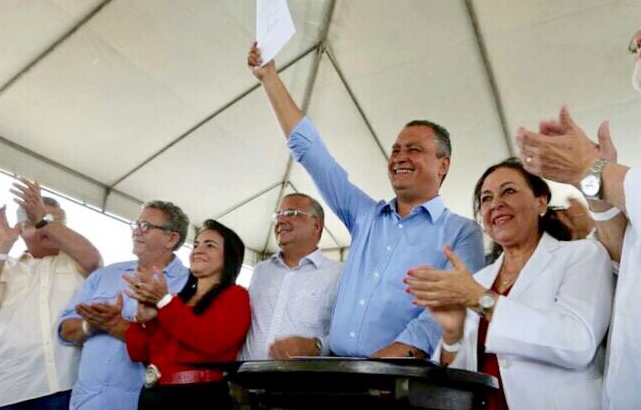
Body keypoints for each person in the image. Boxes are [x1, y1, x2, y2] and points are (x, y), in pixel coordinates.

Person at [515, 0, 641, 409]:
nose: (640, 37)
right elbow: (636, 252)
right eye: (639, 29)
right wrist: (596, 189)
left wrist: (596, 171)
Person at [247, 46, 484, 358]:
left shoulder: (461, 233)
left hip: (402, 386)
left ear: (443, 165)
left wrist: (382, 364)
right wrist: (269, 78)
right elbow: (313, 155)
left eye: (413, 149)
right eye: (396, 149)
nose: (399, 156)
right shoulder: (366, 217)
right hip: (340, 379)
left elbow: (448, 313)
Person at [406, 159, 613, 409]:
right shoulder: (479, 280)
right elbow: (459, 378)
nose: (496, 204)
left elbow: (577, 343)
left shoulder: (583, 255)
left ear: (541, 202)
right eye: (486, 198)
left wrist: (482, 300)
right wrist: (451, 335)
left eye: (509, 191)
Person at [58, 201, 190, 410]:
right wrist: (91, 326)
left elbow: (181, 349)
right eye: (136, 224)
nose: (136, 231)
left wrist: (118, 326)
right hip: (87, 402)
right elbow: (64, 330)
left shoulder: (190, 284)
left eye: (146, 226)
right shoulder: (104, 275)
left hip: (142, 402)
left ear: (171, 238)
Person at [0, 180, 101, 409]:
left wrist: (42, 219)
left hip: (64, 387)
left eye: (56, 223)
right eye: (35, 220)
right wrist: (2, 242)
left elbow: (92, 259)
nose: (46, 227)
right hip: (4, 390)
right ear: (20, 228)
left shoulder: (77, 262)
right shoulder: (2, 265)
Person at [122, 219, 250, 409]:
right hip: (153, 395)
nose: (198, 250)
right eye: (196, 244)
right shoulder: (175, 302)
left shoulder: (236, 296)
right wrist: (142, 321)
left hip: (199, 397)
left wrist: (164, 302)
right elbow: (137, 353)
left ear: (229, 257)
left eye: (210, 245)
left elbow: (212, 343)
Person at [240, 193, 343, 360]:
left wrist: (316, 346)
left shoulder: (338, 275)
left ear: (316, 225)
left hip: (299, 384)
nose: (280, 221)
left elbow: (348, 336)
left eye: (290, 213)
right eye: (277, 215)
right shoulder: (261, 271)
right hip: (245, 381)